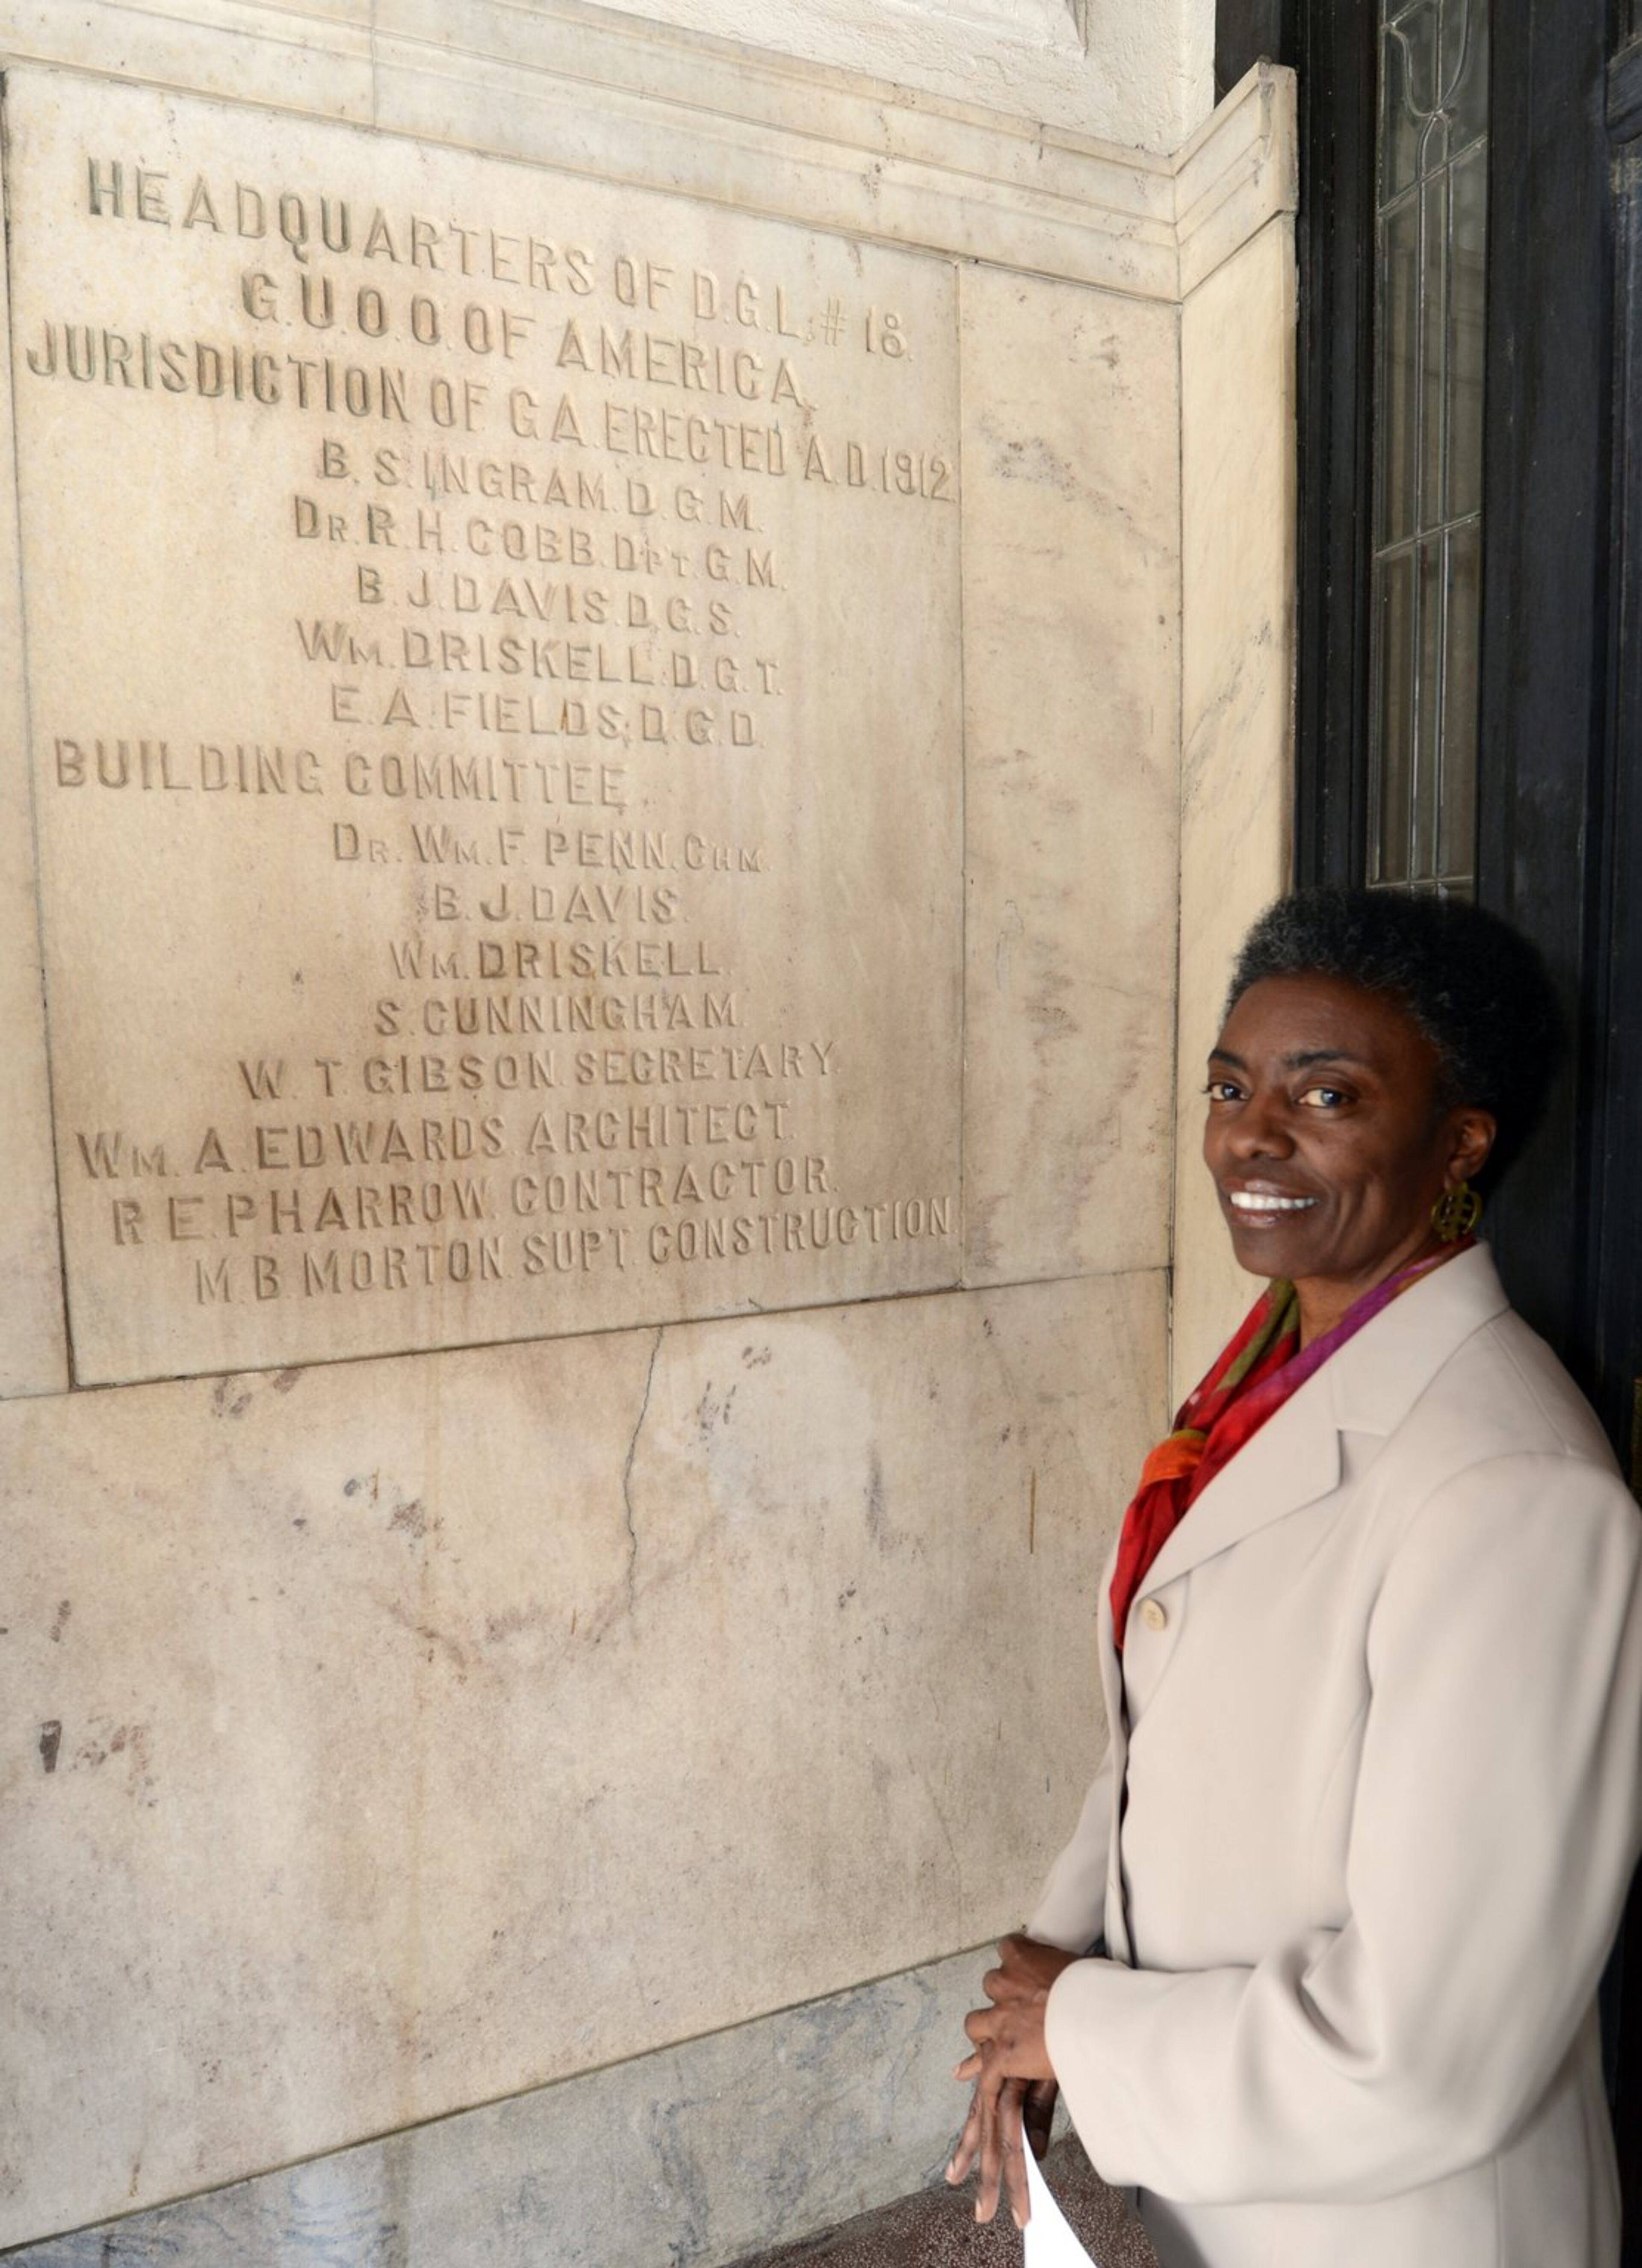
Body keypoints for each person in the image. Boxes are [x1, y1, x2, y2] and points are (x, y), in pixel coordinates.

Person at [947, 887, 1642, 2268]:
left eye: (1327, 1095)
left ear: (1459, 1144)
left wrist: (1081, 2021)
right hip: (1235, 2181)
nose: (1251, 1136)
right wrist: (1050, 1967)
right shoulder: (1264, 1383)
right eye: (1232, 1084)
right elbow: (1160, 1723)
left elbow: (1430, 2053)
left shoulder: (1514, 1493)